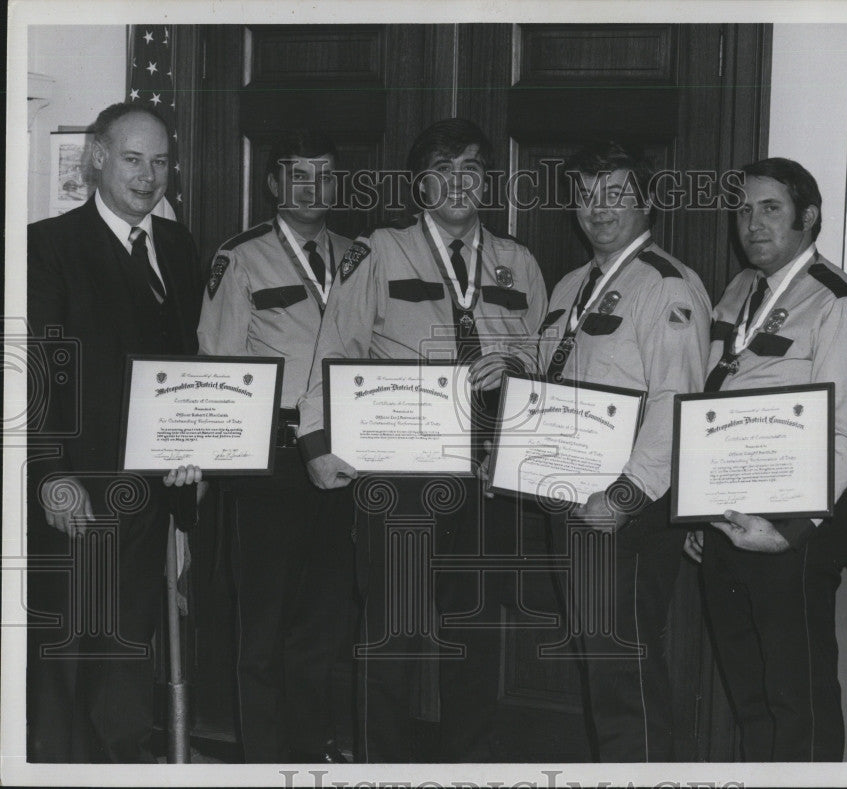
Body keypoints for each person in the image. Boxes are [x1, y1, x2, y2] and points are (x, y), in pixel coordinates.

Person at [297, 118, 549, 762]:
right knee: (393, 636)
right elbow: (335, 350)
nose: (459, 182)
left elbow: (545, 354)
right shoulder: (378, 250)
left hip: (492, 475)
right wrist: (317, 443)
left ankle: (469, 767)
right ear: (420, 185)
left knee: (477, 637)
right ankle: (380, 767)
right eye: (443, 169)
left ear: (488, 182)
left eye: (471, 169)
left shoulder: (517, 261)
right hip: (402, 475)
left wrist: (517, 365)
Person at [683, 157, 847, 761]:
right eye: (743, 210)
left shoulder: (841, 304)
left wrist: (787, 531)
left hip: (792, 531)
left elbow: (845, 437)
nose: (752, 223)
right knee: (748, 695)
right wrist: (700, 511)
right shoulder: (741, 289)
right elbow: (717, 396)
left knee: (799, 699)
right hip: (726, 518)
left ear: (809, 217)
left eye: (770, 208)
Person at [26, 103, 204, 762]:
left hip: (155, 494)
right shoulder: (46, 246)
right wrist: (49, 472)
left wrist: (194, 450)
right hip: (80, 493)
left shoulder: (180, 246)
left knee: (128, 662)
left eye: (160, 162)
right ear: (96, 157)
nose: (149, 175)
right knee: (69, 662)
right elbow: (32, 374)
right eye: (133, 158)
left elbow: (188, 368)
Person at [536, 140, 711, 761]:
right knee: (600, 664)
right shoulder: (568, 285)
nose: (598, 208)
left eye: (615, 193)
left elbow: (676, 402)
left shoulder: (666, 287)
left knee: (624, 673)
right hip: (572, 504)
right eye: (585, 195)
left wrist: (626, 494)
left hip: (624, 513)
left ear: (648, 201)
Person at [196, 131, 356, 762]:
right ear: (272, 184)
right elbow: (219, 362)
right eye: (298, 174)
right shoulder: (241, 258)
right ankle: (264, 762)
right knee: (260, 629)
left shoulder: (359, 255)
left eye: (325, 174)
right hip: (269, 461)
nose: (313, 188)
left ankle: (307, 750)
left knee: (321, 624)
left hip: (341, 456)